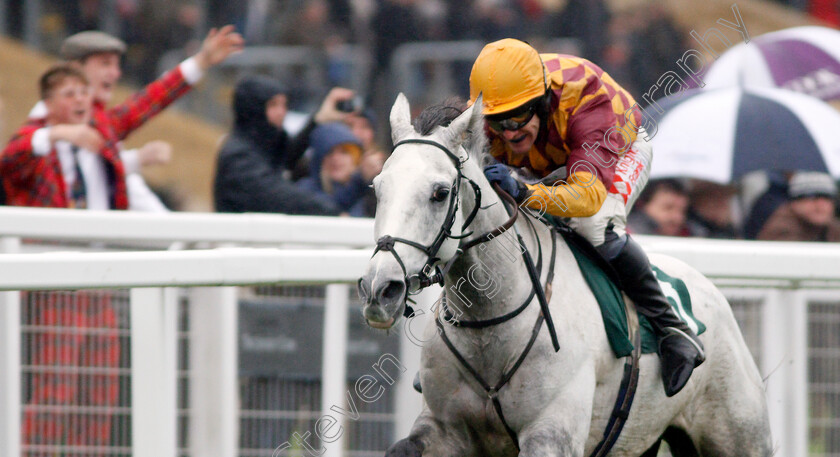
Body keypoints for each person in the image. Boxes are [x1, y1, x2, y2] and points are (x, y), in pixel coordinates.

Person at [469, 38, 704, 397]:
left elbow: (588, 196)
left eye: (517, 119)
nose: (509, 133)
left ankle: (673, 330)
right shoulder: (498, 98)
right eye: (496, 123)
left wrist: (525, 192)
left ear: (542, 102)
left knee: (593, 225)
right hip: (551, 160)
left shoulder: (588, 101)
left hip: (616, 151)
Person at [5, 27, 243, 209]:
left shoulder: (99, 124)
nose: (115, 73)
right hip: (50, 252)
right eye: (105, 64)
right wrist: (58, 134)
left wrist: (201, 62)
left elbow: (148, 101)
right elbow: (11, 161)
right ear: (74, 67)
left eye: (83, 92)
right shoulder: (37, 134)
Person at [213, 75, 358, 214]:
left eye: (284, 105)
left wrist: (319, 119)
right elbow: (275, 194)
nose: (281, 112)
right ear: (253, 109)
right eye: (273, 105)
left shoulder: (257, 148)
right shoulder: (239, 157)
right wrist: (331, 211)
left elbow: (285, 155)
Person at [297, 122, 370, 216]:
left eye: (344, 152)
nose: (336, 158)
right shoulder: (305, 190)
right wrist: (359, 182)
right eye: (329, 152)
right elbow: (328, 207)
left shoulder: (366, 195)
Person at [756, 171, 840, 242]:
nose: (820, 204)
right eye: (811, 197)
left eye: (827, 197)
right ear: (794, 202)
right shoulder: (782, 231)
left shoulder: (832, 228)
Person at [627, 179, 691, 237]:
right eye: (668, 208)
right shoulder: (627, 238)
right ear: (643, 205)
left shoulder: (692, 233)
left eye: (683, 211)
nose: (678, 218)